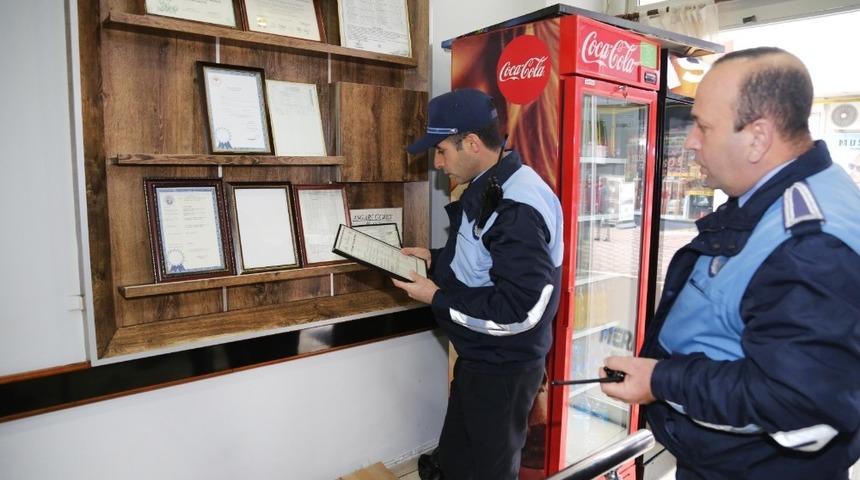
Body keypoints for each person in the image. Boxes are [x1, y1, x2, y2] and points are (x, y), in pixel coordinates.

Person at [599, 47, 860, 479]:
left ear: (758, 137)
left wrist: (660, 381)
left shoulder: (809, 244)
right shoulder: (787, 194)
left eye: (703, 126)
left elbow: (798, 403)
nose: (690, 141)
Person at [393, 88, 564, 480]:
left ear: (472, 143)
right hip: (480, 360)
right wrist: (434, 258)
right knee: (457, 463)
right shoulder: (492, 182)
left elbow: (520, 311)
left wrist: (437, 297)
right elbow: (482, 257)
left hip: (503, 370)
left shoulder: (517, 206)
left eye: (441, 152)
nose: (438, 164)